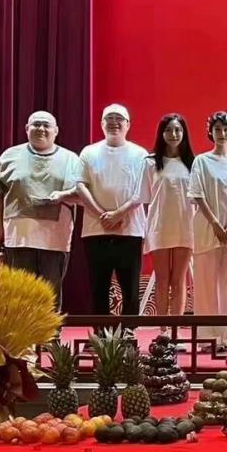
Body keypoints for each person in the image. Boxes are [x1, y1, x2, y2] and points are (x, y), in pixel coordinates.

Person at [0, 110, 81, 309]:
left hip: (55, 238)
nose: (41, 129)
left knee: (50, 296)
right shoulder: (9, 156)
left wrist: (61, 196)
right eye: (36, 124)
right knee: (18, 296)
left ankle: (50, 331)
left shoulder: (71, 159)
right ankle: (20, 330)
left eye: (46, 125)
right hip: (18, 236)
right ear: (27, 129)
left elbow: (81, 196)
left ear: (56, 131)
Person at [76, 104, 149, 315]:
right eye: (109, 118)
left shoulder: (140, 154)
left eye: (119, 119)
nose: (114, 123)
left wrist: (118, 214)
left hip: (130, 229)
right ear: (101, 124)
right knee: (98, 286)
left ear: (128, 125)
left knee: (130, 287)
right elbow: (80, 185)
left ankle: (128, 331)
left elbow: (143, 190)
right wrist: (102, 214)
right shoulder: (89, 152)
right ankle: (101, 332)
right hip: (95, 229)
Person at [189, 111, 227, 352]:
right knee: (206, 285)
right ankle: (207, 338)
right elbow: (197, 194)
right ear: (210, 132)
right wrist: (215, 223)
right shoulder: (201, 161)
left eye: (226, 129)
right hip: (207, 228)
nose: (222, 133)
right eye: (217, 129)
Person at [143, 114, 195, 326]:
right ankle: (163, 330)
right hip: (160, 225)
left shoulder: (193, 163)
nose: (173, 134)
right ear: (161, 134)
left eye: (178, 130)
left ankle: (175, 329)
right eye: (169, 130)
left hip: (185, 224)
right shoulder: (150, 163)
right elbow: (145, 197)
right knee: (162, 279)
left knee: (179, 279)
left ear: (184, 134)